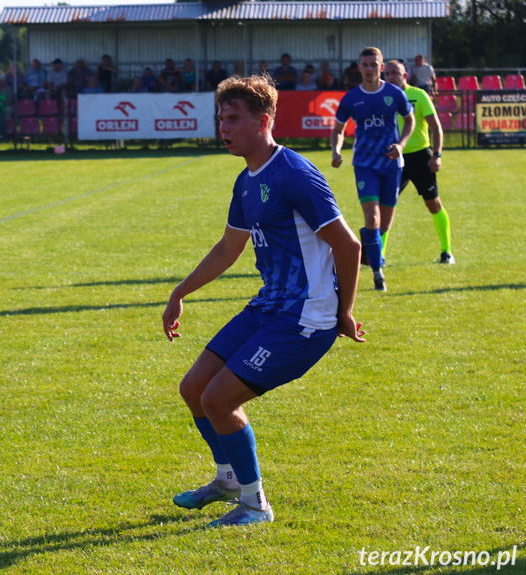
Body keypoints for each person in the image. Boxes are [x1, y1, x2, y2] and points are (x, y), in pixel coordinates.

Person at [163, 73, 364, 528]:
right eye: (221, 118)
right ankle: (228, 479)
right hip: (269, 306)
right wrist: (180, 293)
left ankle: (255, 506)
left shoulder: (294, 175)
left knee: (218, 399)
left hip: (305, 317)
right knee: (194, 389)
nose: (224, 128)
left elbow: (348, 246)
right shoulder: (246, 180)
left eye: (234, 118)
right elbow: (228, 249)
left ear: (264, 120)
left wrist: (343, 311)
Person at [331, 47, 415, 292]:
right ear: (359, 68)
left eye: (373, 64)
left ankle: (366, 248)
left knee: (383, 226)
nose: (368, 69)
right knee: (373, 219)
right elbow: (338, 130)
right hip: (365, 165)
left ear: (381, 67)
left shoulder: (394, 94)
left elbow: (410, 120)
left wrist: (401, 144)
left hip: (392, 165)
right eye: (364, 65)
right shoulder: (350, 98)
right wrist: (336, 151)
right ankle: (378, 274)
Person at [383, 60, 454, 264]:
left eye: (395, 73)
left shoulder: (419, 95)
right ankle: (379, 257)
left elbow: (436, 128)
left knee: (433, 204)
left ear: (405, 76)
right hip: (394, 158)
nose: (390, 77)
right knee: (384, 207)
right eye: (387, 73)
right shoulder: (382, 97)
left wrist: (436, 155)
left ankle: (446, 252)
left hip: (420, 157)